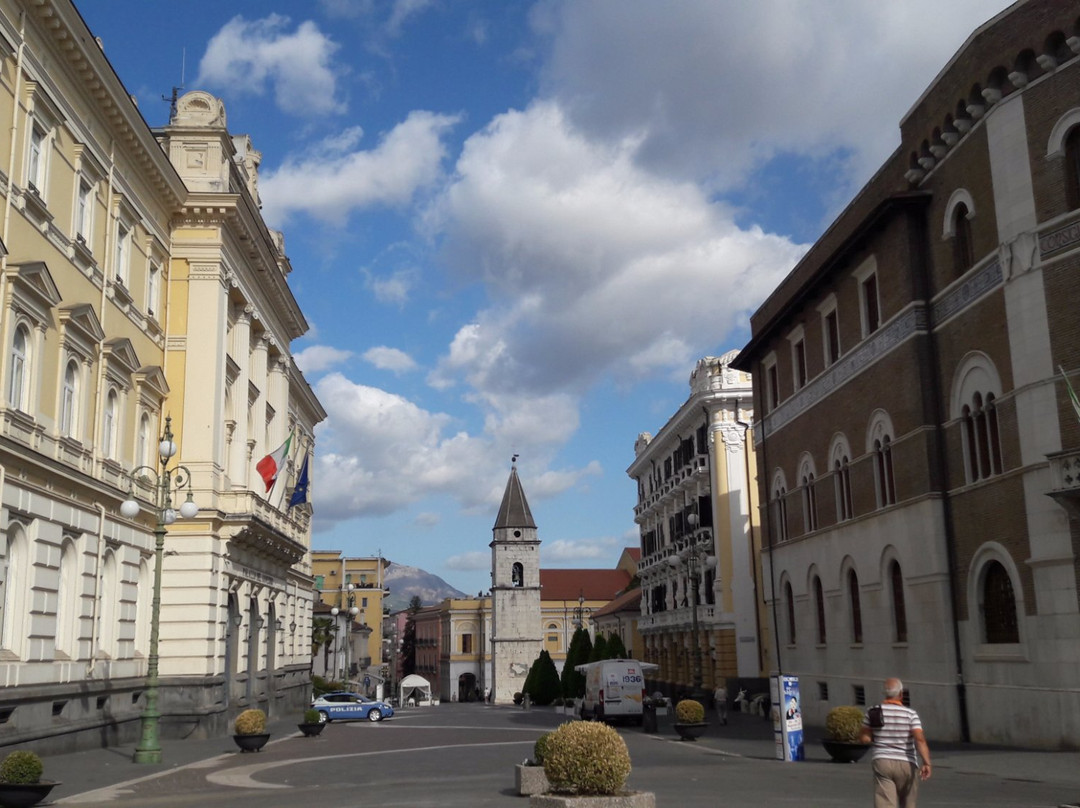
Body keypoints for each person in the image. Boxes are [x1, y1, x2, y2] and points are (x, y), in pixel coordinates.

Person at [859, 678, 932, 808]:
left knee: (885, 802)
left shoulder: (873, 712)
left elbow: (865, 738)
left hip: (883, 761)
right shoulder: (911, 714)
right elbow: (919, 739)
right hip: (907, 762)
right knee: (908, 803)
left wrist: (876, 737)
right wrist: (926, 762)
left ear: (885, 693)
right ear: (901, 694)